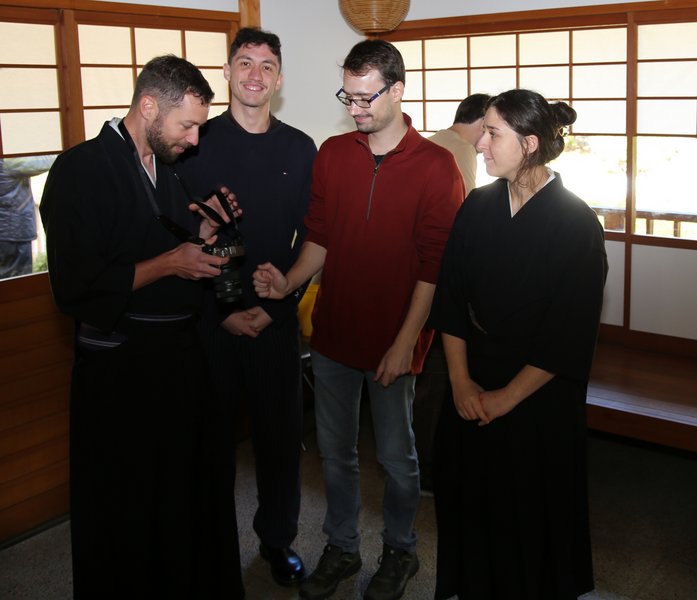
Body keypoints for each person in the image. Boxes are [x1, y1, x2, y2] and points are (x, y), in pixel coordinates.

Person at [253, 39, 463, 600]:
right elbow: (319, 235)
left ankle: (401, 550)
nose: (355, 108)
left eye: (367, 97)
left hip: (395, 341)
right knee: (335, 454)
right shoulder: (334, 153)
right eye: (348, 96)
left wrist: (405, 341)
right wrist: (288, 283)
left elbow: (435, 267)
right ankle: (342, 547)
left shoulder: (436, 167)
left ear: (398, 91)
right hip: (334, 335)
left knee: (396, 457)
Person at [40, 55, 244, 599]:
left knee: (184, 493)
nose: (194, 140)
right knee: (129, 503)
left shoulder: (165, 168)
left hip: (178, 359)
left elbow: (158, 240)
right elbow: (77, 285)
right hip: (121, 368)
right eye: (188, 125)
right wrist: (171, 263)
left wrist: (202, 234)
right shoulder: (80, 170)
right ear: (149, 106)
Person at [428, 88, 608, 600]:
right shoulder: (478, 206)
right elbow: (451, 297)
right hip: (473, 376)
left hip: (539, 391)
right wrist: (461, 382)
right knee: (470, 502)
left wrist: (506, 398)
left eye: (492, 133)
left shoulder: (576, 223)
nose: (480, 143)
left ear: (529, 144)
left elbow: (569, 332)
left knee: (532, 516)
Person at [178, 27, 317, 587]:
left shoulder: (300, 148)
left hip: (275, 316)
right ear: (228, 72)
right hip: (210, 318)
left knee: (280, 442)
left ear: (279, 79)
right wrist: (224, 310)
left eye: (266, 66)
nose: (255, 75)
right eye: (244, 63)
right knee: (209, 443)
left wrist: (280, 305)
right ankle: (211, 549)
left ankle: (277, 540)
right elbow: (180, 234)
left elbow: (314, 236)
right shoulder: (197, 141)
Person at [414, 92, 490, 494]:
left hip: (414, 272)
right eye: (489, 129)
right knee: (437, 374)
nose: (488, 140)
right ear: (478, 122)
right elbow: (466, 222)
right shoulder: (459, 151)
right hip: (437, 277)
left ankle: (419, 460)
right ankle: (426, 466)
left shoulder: (434, 142)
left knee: (426, 373)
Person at [0, 155, 55, 278]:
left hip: (8, 230)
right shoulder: (8, 163)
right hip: (13, 231)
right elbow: (41, 162)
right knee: (17, 279)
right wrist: (66, 153)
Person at [428, 93, 490, 196]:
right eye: (492, 130)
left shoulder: (430, 140)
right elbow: (468, 201)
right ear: (484, 123)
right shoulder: (463, 148)